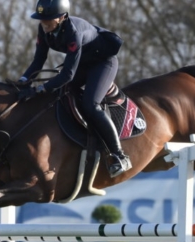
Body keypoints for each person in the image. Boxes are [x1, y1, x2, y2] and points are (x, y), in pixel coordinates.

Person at [16, 0, 131, 178]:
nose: (44, 23)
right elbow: (38, 61)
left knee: (90, 104)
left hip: (103, 63)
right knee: (59, 95)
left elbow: (67, 75)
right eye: (41, 19)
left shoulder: (73, 32)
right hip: (83, 62)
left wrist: (39, 89)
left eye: (48, 19)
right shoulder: (44, 28)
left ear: (62, 17)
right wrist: (23, 80)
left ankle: (119, 155)